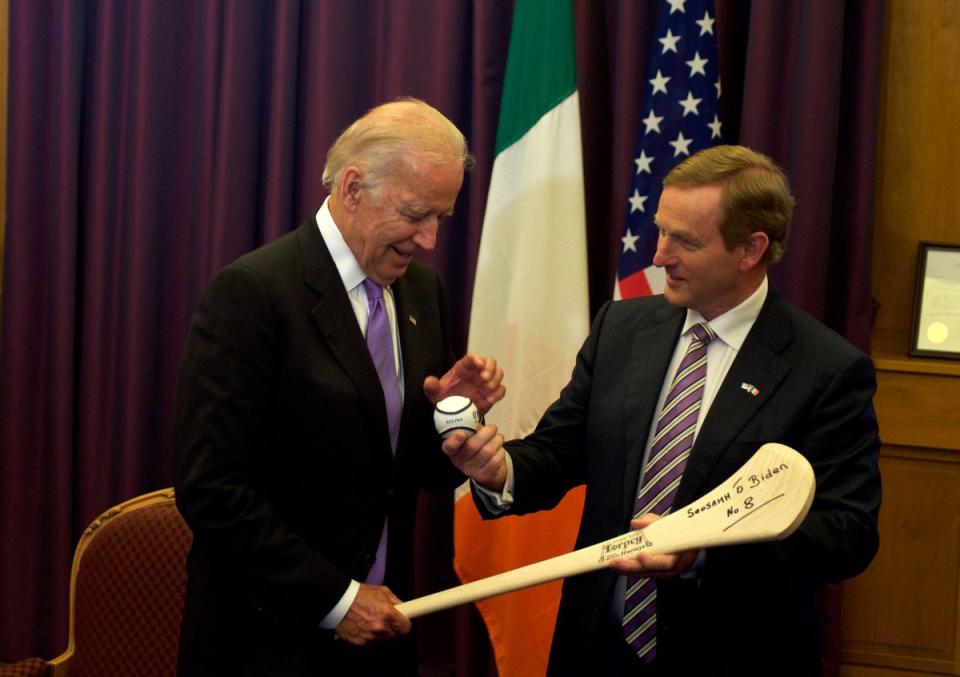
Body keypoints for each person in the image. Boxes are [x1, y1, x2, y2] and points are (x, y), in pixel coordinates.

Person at [446, 145, 881, 676]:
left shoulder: (827, 369)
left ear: (750, 249)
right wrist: (499, 471)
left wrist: (702, 554)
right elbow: (560, 449)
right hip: (595, 648)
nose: (658, 255)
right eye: (660, 230)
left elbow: (847, 533)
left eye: (686, 240)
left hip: (731, 656)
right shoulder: (622, 328)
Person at [173, 98, 504, 676]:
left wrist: (455, 422)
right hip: (268, 641)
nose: (428, 239)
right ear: (353, 187)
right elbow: (213, 489)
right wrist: (338, 600)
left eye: (440, 219)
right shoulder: (254, 292)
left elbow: (411, 471)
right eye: (414, 214)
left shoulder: (422, 291)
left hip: (384, 635)